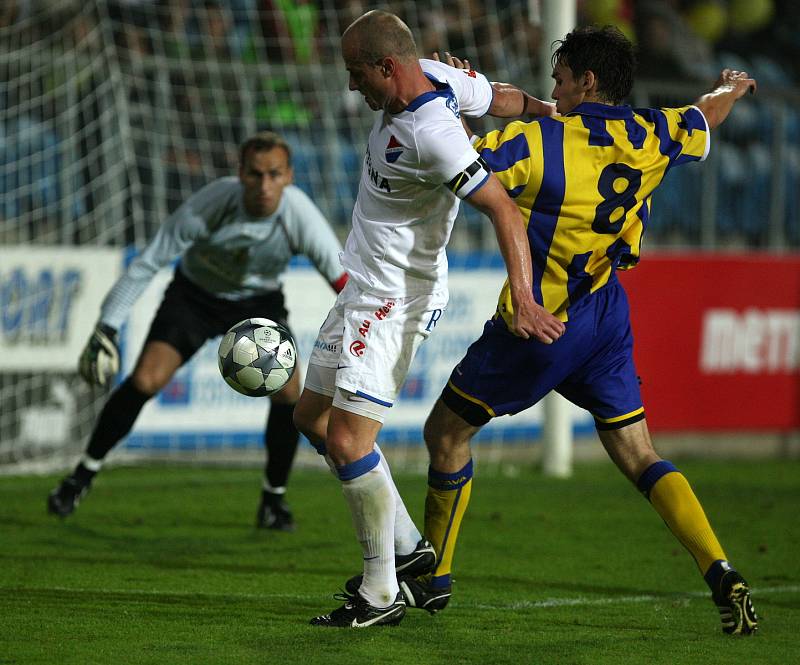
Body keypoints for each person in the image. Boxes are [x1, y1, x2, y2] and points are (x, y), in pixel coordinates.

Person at [401, 26, 760, 636]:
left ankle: (432, 579)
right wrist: (731, 87)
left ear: (587, 81)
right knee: (639, 453)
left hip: (540, 323)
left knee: (446, 432)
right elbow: (707, 115)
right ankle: (719, 569)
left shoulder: (538, 142)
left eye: (561, 79)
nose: (555, 90)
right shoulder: (653, 131)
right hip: (606, 316)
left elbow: (466, 172)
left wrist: (452, 100)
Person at [292, 10, 565, 628]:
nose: (351, 86)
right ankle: (411, 548)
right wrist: (548, 112)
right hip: (363, 281)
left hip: (394, 294)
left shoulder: (433, 133)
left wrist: (523, 295)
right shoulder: (441, 76)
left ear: (387, 66)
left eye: (356, 74)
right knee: (310, 417)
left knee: (347, 439)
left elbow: (502, 209)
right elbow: (500, 97)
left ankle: (380, 591)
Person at [47, 131, 348, 531]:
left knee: (289, 392)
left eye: (274, 175)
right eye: (255, 174)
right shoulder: (210, 205)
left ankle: (273, 500)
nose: (264, 185)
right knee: (145, 379)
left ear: (289, 176)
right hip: (195, 297)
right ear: (239, 174)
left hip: (259, 303)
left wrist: (367, 332)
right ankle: (80, 477)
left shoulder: (299, 214)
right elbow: (148, 261)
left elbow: (344, 283)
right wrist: (107, 325)